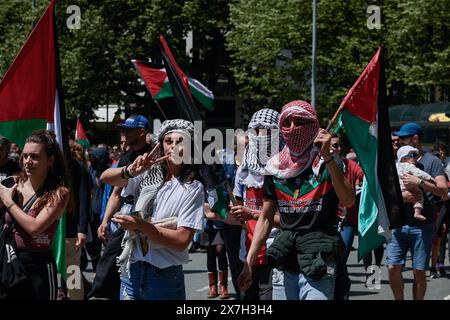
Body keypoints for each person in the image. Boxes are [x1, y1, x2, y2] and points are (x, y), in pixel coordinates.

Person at [238, 100, 354, 300]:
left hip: (320, 257)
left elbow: (349, 199)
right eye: (287, 123)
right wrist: (248, 263)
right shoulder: (275, 168)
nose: (293, 128)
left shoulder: (327, 162)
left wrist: (327, 157)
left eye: (300, 122)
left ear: (313, 126)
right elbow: (265, 218)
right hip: (286, 258)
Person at [107, 119, 204, 300]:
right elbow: (106, 178)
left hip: (164, 276)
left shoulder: (193, 187)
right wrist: (131, 170)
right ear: (161, 146)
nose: (174, 147)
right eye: (169, 142)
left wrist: (141, 225)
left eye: (180, 141)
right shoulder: (147, 173)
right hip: (133, 268)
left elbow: (182, 240)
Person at [0, 130, 70, 299]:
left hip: (38, 266)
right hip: (9, 260)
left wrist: (8, 201)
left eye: (35, 157)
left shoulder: (59, 193)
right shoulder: (12, 183)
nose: (28, 162)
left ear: (50, 161)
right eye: (25, 156)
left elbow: (35, 227)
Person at [88, 115, 151, 300]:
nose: (124, 134)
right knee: (108, 263)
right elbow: (116, 193)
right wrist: (106, 221)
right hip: (126, 222)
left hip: (151, 221)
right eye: (123, 130)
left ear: (141, 132)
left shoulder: (154, 155)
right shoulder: (126, 158)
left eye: (128, 130)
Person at [387, 122, 448, 300]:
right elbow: (384, 192)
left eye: (403, 138)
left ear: (415, 139)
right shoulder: (395, 160)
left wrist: (419, 182)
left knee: (419, 271)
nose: (398, 141)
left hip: (423, 224)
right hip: (397, 223)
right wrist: (402, 197)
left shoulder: (432, 161)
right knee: (392, 267)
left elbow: (443, 190)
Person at [231, 108, 283, 300]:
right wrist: (214, 213)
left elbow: (289, 220)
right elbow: (237, 213)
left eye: (268, 131)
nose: (262, 136)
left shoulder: (285, 172)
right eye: (257, 130)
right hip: (247, 255)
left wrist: (253, 214)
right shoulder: (243, 171)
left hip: (276, 254)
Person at [396, 145, 435, 222]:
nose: (416, 157)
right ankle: (417, 212)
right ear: (404, 158)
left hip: (400, 188)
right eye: (413, 155)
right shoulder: (409, 166)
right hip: (409, 187)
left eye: (416, 155)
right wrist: (429, 177)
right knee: (420, 194)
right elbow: (419, 173)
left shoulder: (396, 166)